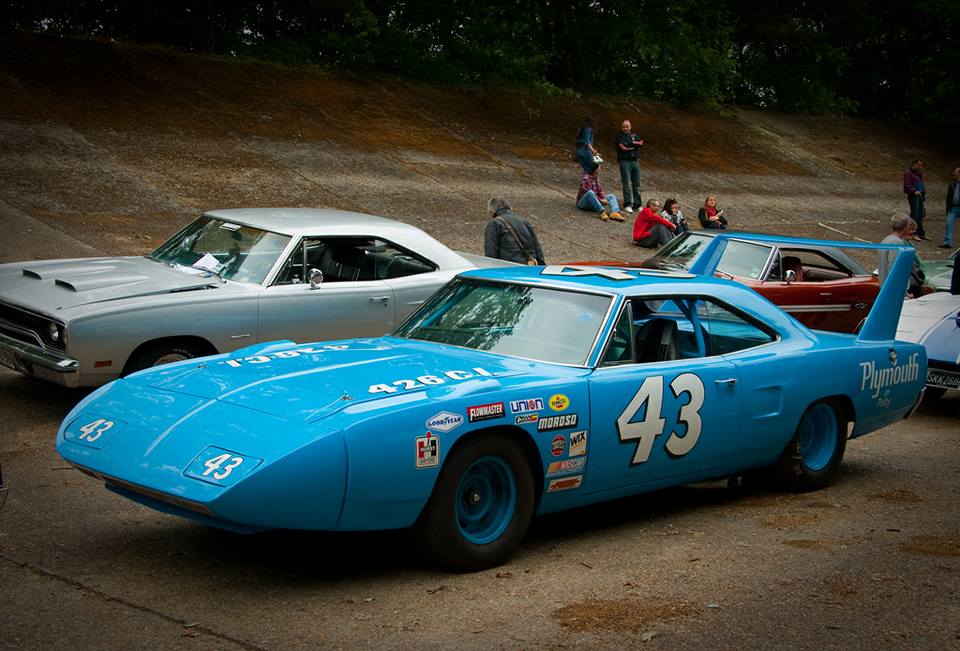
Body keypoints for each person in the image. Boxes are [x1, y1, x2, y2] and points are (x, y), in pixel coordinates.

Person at [483, 196, 545, 265]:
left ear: (492, 211)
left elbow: (490, 253)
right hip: (529, 268)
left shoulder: (494, 224)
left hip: (508, 270)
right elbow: (537, 249)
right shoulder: (524, 221)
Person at [614, 119, 643, 213]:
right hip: (625, 161)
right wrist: (634, 145)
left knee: (637, 184)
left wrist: (632, 144)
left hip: (635, 161)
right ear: (621, 128)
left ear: (630, 127)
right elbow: (623, 147)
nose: (625, 128)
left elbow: (641, 143)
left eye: (627, 127)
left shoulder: (634, 135)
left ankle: (638, 204)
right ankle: (627, 204)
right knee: (627, 184)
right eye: (624, 127)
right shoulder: (619, 137)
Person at [903, 159, 926, 240]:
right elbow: (907, 185)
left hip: (920, 196)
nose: (920, 167)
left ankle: (920, 233)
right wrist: (914, 191)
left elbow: (921, 185)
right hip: (914, 196)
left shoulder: (919, 174)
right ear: (914, 164)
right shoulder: (908, 173)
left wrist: (923, 194)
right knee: (914, 214)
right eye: (919, 165)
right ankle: (913, 233)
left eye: (921, 165)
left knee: (921, 214)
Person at [943, 166, 960, 249]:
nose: (954, 173)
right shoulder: (952, 184)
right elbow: (948, 197)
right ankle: (948, 242)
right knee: (949, 224)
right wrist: (947, 208)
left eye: (955, 172)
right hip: (953, 207)